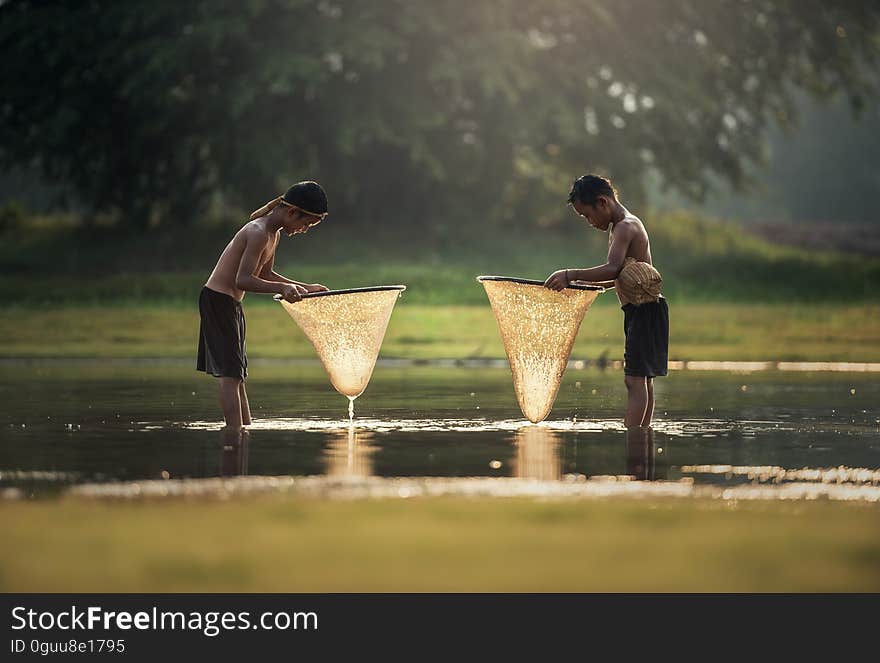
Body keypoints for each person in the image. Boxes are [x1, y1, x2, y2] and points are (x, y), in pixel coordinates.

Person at [197, 181, 330, 429]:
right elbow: (243, 279)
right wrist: (283, 289)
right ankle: (234, 433)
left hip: (231, 304)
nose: (304, 229)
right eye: (305, 224)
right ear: (292, 212)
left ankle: (244, 430)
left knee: (238, 374)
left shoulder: (273, 234)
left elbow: (266, 274)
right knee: (230, 375)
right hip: (218, 301)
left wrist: (306, 287)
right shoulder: (257, 232)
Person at [544, 174, 668, 428]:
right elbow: (617, 277)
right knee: (643, 379)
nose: (589, 222)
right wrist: (578, 286)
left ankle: (633, 436)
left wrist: (571, 274)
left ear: (602, 202)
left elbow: (612, 270)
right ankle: (642, 438)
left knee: (635, 380)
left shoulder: (625, 226)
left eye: (587, 215)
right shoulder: (620, 226)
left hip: (645, 310)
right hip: (644, 311)